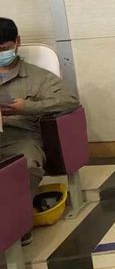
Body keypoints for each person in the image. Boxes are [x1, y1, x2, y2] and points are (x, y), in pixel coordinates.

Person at [0, 18, 79, 244]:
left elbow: (69, 101)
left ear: (17, 42)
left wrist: (27, 107)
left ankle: (16, 223)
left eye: (4, 49)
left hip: (21, 136)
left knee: (26, 165)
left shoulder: (37, 77)